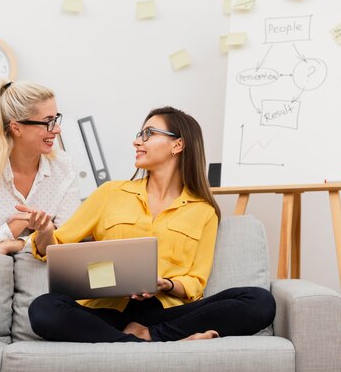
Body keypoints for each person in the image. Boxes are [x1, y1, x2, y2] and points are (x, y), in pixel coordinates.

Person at [24, 106, 276, 342]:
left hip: (165, 313)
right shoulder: (110, 193)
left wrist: (165, 283)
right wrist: (45, 230)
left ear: (177, 144)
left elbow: (195, 283)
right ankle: (147, 342)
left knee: (259, 301)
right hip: (107, 311)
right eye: (139, 134)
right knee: (44, 308)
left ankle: (147, 335)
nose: (137, 141)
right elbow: (53, 248)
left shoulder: (203, 210)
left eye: (148, 134)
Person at [0, 78, 81, 254]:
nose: (57, 130)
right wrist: (14, 226)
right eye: (48, 121)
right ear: (16, 128)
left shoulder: (63, 166)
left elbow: (69, 243)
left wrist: (15, 244)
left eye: (56, 119)